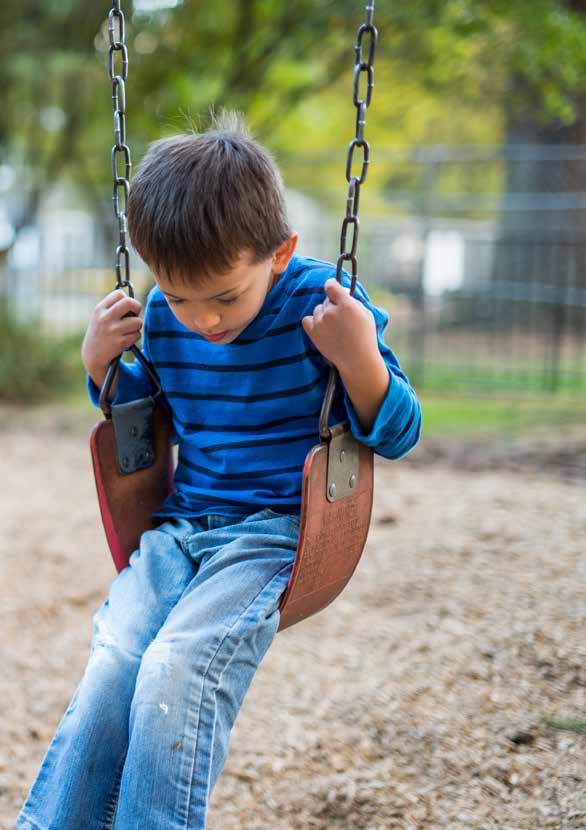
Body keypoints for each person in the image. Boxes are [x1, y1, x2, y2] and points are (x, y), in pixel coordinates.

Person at [16, 111, 422, 830]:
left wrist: (358, 360)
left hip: (270, 537)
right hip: (179, 532)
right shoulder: (168, 320)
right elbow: (144, 422)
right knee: (115, 662)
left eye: (225, 296)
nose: (202, 320)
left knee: (177, 665)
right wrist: (100, 368)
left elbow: (399, 431)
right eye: (178, 297)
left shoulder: (323, 306)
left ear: (279, 251)